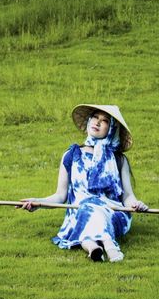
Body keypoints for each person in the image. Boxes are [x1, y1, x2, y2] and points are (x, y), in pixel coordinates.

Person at [19, 103, 148, 262]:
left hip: (112, 211)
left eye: (105, 120)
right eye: (95, 117)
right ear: (89, 120)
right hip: (79, 211)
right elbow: (60, 195)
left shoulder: (118, 159)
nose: (98, 122)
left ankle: (107, 245)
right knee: (87, 209)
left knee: (91, 209)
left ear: (111, 128)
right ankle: (96, 249)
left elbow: (128, 196)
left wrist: (136, 204)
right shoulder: (72, 155)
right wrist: (38, 202)